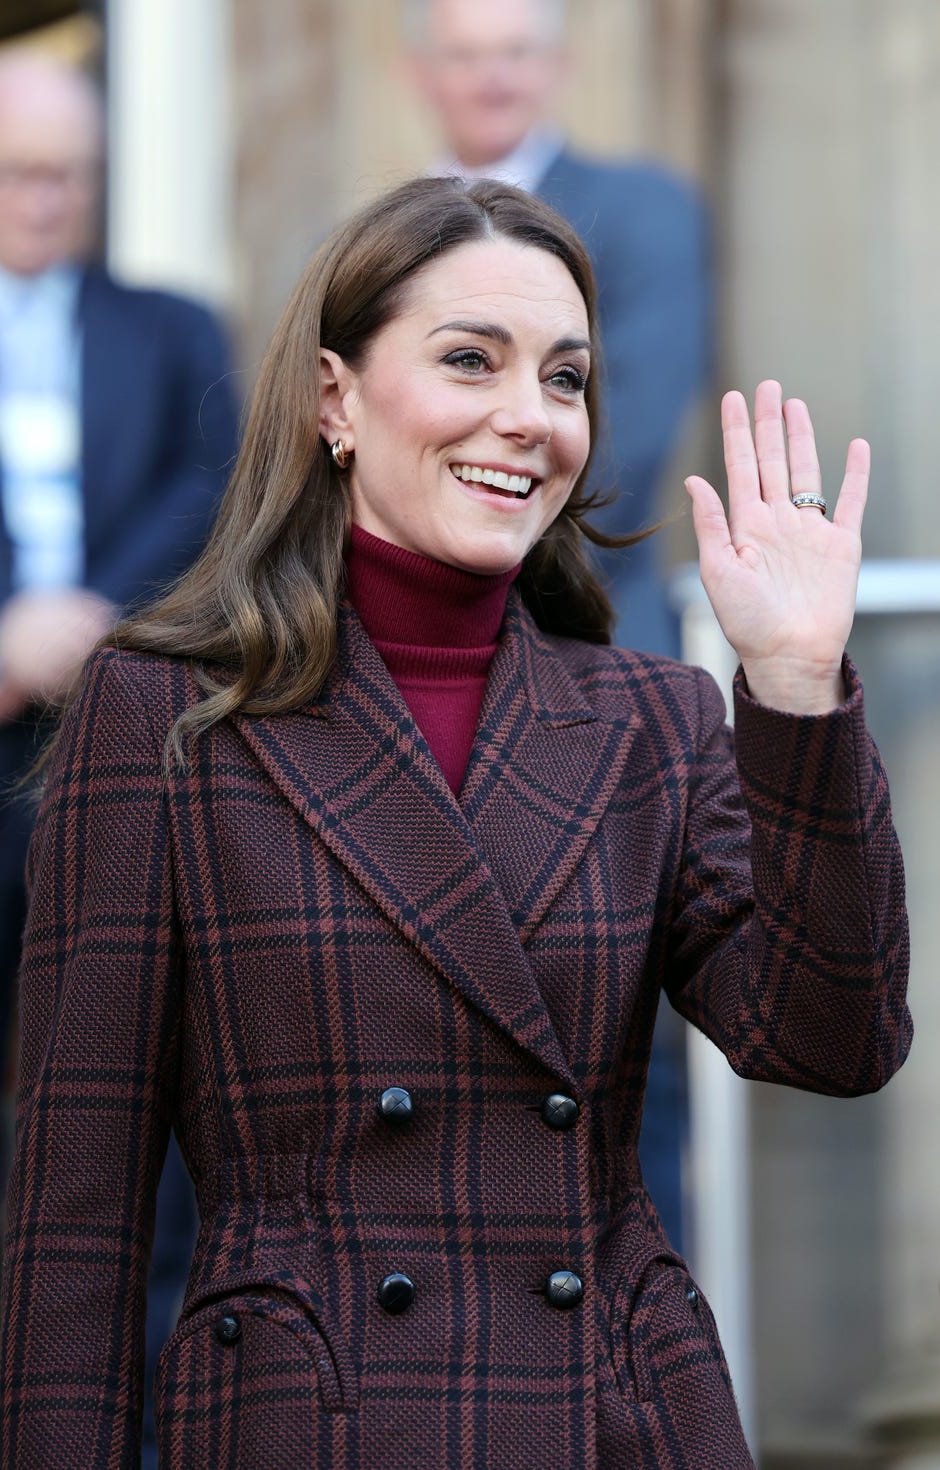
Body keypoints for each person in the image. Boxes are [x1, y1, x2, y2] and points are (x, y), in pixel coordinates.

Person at [0, 177, 910, 1469]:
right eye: (469, 360)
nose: (525, 418)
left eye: (566, 377)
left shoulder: (652, 714)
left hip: (617, 1415)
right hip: (309, 1420)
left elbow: (832, 1038)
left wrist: (799, 687)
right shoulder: (164, 711)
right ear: (335, 399)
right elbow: (78, 1208)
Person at [0, 52, 238, 1469]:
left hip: (134, 759)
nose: (43, 199)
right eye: (16, 171)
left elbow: (214, 490)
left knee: (157, 1094)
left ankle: (150, 1407)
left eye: (66, 173)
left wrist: (81, 628)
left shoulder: (177, 330)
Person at [405, 0, 713, 1253]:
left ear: (559, 66)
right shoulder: (376, 239)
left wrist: (448, 529)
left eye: (514, 50)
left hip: (591, 659)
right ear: (420, 74)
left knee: (620, 1047)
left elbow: (621, 441)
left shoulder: (637, 213)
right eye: (465, 53)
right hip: (404, 677)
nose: (490, 77)